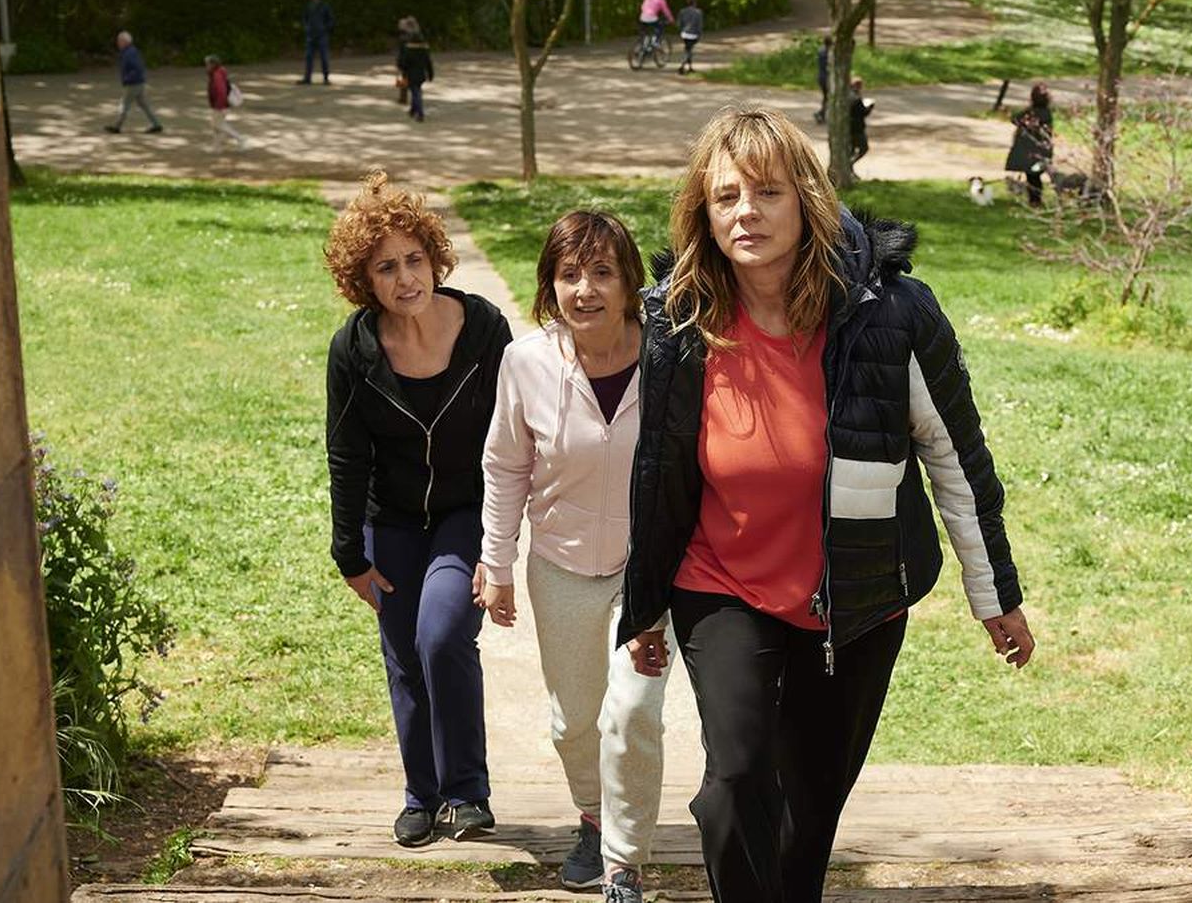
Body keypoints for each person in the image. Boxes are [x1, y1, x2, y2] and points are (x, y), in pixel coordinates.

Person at [617, 105, 1035, 903]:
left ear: (807, 198)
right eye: (726, 196)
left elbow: (955, 455)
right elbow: (657, 472)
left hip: (856, 595)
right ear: (703, 212)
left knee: (808, 815)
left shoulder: (892, 314)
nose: (747, 212)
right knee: (736, 780)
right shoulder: (681, 318)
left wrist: (996, 597)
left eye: (767, 192)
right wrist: (645, 605)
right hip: (722, 584)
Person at [477, 211, 668, 903]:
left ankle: (623, 860)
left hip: (645, 574)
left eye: (601, 272)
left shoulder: (665, 357)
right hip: (558, 566)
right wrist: (496, 564)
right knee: (575, 722)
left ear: (628, 284)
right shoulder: (525, 363)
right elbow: (504, 468)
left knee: (636, 709)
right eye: (568, 274)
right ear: (549, 285)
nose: (584, 289)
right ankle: (592, 813)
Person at [323, 171, 513, 848]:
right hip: (393, 521)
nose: (406, 278)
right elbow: (346, 455)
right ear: (363, 281)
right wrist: (350, 554)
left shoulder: (485, 329)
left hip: (465, 513)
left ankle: (466, 792)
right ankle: (420, 794)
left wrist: (501, 548)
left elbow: (514, 440)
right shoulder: (354, 350)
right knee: (404, 654)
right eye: (386, 267)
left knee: (441, 635)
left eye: (414, 259)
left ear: (434, 256)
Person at [1005, 82, 1055, 207]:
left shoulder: (1030, 112)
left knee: (1032, 177)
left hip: (1028, 151)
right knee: (1035, 176)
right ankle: (1035, 199)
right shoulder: (1046, 113)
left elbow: (1014, 119)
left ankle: (1034, 200)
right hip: (1039, 151)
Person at [104, 31, 162, 134]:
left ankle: (117, 126)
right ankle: (156, 124)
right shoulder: (131, 51)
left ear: (124, 42)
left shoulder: (129, 53)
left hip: (133, 83)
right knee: (143, 104)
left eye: (119, 41)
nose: (118, 43)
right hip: (138, 82)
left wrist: (127, 79)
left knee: (124, 105)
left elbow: (137, 68)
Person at [395, 17, 435, 123]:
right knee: (416, 90)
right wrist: (430, 73)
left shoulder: (407, 45)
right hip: (421, 72)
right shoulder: (423, 46)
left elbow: (404, 59)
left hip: (410, 72)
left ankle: (420, 112)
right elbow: (428, 61)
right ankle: (413, 110)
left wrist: (400, 66)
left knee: (415, 92)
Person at [203, 55, 245, 149]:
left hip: (220, 105)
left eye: (208, 64)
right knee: (216, 126)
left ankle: (240, 139)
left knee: (218, 125)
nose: (206, 66)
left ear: (213, 64)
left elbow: (221, 91)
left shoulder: (217, 75)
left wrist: (219, 105)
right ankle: (216, 147)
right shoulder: (218, 73)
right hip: (220, 104)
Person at [301, 0, 336, 85]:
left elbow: (331, 20)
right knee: (308, 57)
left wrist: (325, 29)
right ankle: (307, 78)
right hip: (310, 36)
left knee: (324, 58)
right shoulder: (308, 6)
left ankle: (326, 78)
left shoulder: (325, 6)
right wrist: (306, 28)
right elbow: (304, 18)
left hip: (322, 36)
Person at [848, 76, 874, 174]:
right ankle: (850, 165)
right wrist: (870, 107)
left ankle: (850, 170)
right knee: (864, 148)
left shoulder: (846, 95)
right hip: (857, 129)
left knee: (851, 151)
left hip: (848, 129)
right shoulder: (856, 99)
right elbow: (862, 113)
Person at [676, 0, 704, 76]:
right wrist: (699, 34)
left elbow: (679, 24)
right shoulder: (698, 12)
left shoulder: (682, 11)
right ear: (695, 3)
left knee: (688, 49)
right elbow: (700, 25)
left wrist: (681, 30)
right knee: (689, 50)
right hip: (693, 34)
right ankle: (682, 66)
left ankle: (690, 67)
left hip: (684, 33)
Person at [813, 36, 831, 123]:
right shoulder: (828, 53)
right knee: (828, 97)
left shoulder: (821, 50)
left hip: (821, 77)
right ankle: (821, 113)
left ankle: (822, 114)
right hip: (826, 78)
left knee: (826, 97)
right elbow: (829, 67)